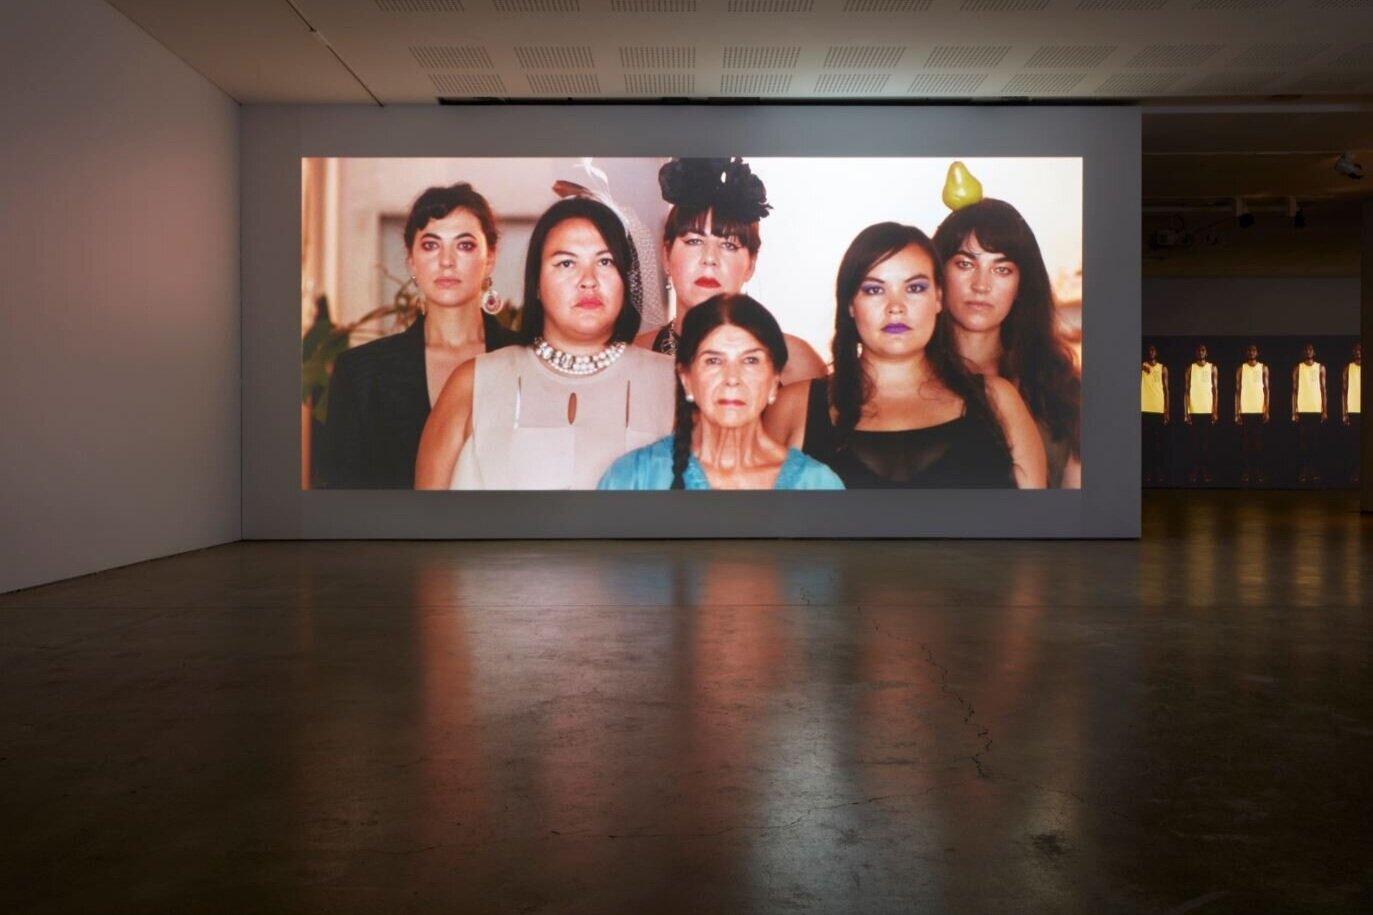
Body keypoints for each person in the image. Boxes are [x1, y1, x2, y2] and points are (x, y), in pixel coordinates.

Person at [415, 197, 675, 490]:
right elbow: (424, 523)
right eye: (566, 263)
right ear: (536, 283)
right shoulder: (473, 382)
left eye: (605, 261)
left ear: (627, 279)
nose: (588, 280)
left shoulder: (674, 381)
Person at [764, 222, 1046, 489]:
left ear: (938, 297)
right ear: (850, 304)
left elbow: (1038, 529)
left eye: (914, 288)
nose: (895, 307)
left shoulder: (999, 400)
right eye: (874, 289)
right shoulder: (794, 407)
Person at [317, 183, 518, 489]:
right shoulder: (360, 373)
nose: (446, 261)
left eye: (464, 245)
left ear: (490, 256)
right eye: (430, 245)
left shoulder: (527, 358)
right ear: (411, 260)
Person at [599, 295, 843, 490]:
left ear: (774, 381)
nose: (732, 379)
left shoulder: (816, 483)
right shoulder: (634, 477)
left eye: (751, 361)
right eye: (713, 361)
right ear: (686, 379)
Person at [637, 158, 827, 385]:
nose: (709, 259)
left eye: (729, 245)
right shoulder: (637, 357)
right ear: (666, 256)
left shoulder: (794, 364)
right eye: (694, 241)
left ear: (751, 264)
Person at [932, 198, 1081, 488]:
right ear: (937, 274)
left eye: (1002, 269)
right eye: (965, 264)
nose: (981, 285)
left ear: (1021, 285)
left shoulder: (1063, 394)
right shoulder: (903, 379)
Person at [1183, 343, 1219, 484]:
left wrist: (1215, 411)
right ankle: (1195, 470)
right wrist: (1186, 412)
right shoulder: (1189, 368)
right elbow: (1186, 392)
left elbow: (1216, 391)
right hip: (1194, 411)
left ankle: (1205, 471)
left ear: (1206, 352)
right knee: (1194, 444)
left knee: (1206, 444)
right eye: (1198, 349)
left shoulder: (1212, 367)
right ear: (1195, 352)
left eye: (1203, 349)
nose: (1200, 352)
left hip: (1208, 412)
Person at [1234, 343, 1269, 485]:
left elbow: (1267, 390)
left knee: (1259, 443)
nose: (1251, 352)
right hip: (1245, 411)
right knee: (1246, 443)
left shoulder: (1264, 368)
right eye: (1249, 350)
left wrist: (1267, 410)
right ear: (1246, 353)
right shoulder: (1240, 369)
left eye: (1254, 349)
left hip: (1259, 411)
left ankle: (1259, 470)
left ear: (1257, 352)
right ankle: (1247, 471)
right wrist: (1236, 412)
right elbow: (1237, 392)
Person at [1292, 342, 1327, 484]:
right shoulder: (1297, 368)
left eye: (1311, 349)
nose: (1308, 351)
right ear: (1303, 352)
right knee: (1303, 443)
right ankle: (1304, 471)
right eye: (1306, 349)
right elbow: (1294, 391)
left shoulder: (1320, 367)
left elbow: (1324, 390)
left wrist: (1325, 410)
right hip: (1302, 410)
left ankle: (1314, 471)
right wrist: (1294, 411)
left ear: (1314, 352)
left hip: (1316, 410)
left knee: (1315, 442)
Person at [1141, 343, 1169, 485]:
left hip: (1158, 409)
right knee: (1146, 443)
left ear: (1156, 352)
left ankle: (1158, 471)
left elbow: (1166, 389)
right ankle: (1148, 472)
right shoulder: (1142, 366)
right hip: (1145, 409)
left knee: (1158, 444)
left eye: (1153, 349)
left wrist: (1167, 411)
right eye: (1148, 350)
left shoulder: (1162, 368)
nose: (1151, 352)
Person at [1343, 342, 1361, 484]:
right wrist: (1344, 412)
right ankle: (1356, 471)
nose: (1358, 352)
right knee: (1355, 444)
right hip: (1354, 411)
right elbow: (1343, 392)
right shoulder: (1348, 368)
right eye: (1355, 349)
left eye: (1360, 349)